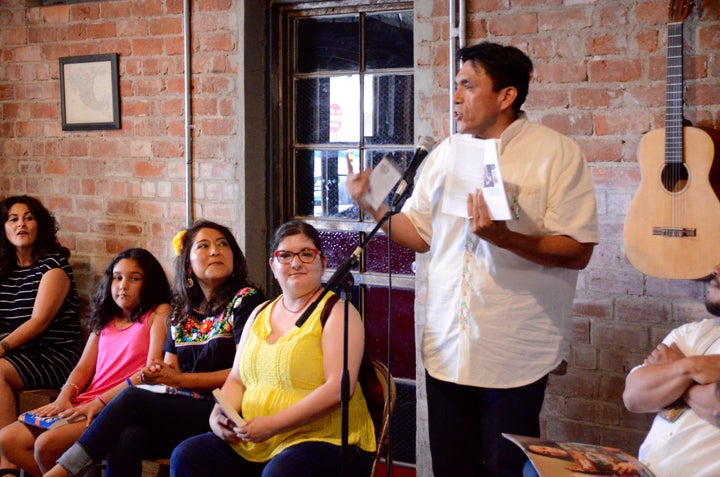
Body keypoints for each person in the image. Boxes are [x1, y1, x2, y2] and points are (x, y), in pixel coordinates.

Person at [346, 41, 598, 477]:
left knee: (506, 466)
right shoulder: (445, 153)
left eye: (468, 85)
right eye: (456, 85)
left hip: (513, 347)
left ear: (506, 96)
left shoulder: (555, 153)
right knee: (451, 465)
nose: (456, 97)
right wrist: (373, 207)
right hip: (446, 342)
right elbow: (421, 235)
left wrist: (504, 237)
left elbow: (578, 250)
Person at [44, 220, 266, 477]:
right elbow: (170, 369)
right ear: (188, 265)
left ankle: (62, 471)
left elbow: (245, 374)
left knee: (132, 398)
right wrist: (158, 374)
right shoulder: (182, 311)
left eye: (222, 245)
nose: (215, 251)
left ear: (234, 258)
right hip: (186, 407)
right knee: (128, 437)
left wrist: (179, 378)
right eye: (203, 246)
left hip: (227, 409)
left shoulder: (246, 301)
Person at [168, 220, 375, 477]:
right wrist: (217, 417)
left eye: (306, 254)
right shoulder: (259, 312)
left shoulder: (337, 312)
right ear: (272, 265)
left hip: (323, 439)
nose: (296, 263)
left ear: (322, 262)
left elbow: (337, 390)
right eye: (285, 255)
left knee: (280, 472)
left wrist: (272, 425)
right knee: (187, 456)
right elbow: (236, 378)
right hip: (257, 441)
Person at [0, 247, 171, 475]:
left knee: (45, 446)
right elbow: (82, 367)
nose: (123, 285)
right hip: (87, 401)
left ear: (149, 283)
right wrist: (63, 399)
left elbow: (150, 372)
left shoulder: (158, 313)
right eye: (117, 278)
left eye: (134, 278)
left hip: (117, 407)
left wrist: (98, 402)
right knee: (8, 439)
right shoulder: (106, 319)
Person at [0, 196, 84, 475]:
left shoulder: (53, 267)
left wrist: (2, 347)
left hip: (54, 355)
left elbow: (39, 321)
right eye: (13, 219)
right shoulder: (5, 271)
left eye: (28, 217)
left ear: (40, 226)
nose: (21, 224)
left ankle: (8, 463)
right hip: (20, 354)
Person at [622, 263, 720, 477]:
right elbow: (633, 397)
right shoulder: (692, 332)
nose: (714, 269)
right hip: (644, 471)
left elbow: (717, 408)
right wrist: (691, 366)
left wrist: (678, 374)